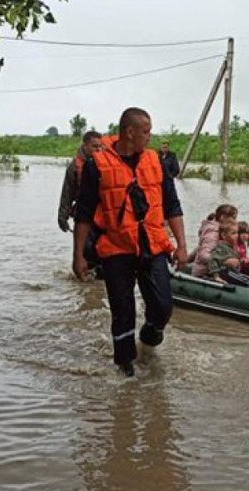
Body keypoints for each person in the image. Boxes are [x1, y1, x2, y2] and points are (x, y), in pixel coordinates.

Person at [72, 108, 188, 376]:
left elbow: (172, 205)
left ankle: (149, 336)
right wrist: (78, 255)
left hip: (153, 245)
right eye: (146, 131)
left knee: (162, 307)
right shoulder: (97, 165)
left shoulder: (156, 161)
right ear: (130, 132)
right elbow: (84, 213)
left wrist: (181, 245)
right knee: (122, 311)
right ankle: (126, 372)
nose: (150, 137)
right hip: (116, 248)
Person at [58, 130, 103, 232]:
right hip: (84, 215)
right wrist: (62, 217)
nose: (98, 150)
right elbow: (67, 193)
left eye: (100, 147)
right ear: (85, 146)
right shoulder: (74, 167)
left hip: (103, 216)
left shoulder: (107, 165)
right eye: (94, 147)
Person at [189, 203, 238, 277]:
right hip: (205, 273)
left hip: (214, 270)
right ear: (223, 217)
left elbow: (198, 249)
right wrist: (224, 261)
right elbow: (203, 255)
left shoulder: (222, 230)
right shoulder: (213, 233)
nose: (235, 221)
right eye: (234, 218)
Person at [206, 219, 249, 288]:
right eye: (233, 233)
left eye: (237, 233)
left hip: (233, 271)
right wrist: (216, 276)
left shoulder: (232, 248)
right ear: (224, 235)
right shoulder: (221, 247)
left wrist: (241, 262)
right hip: (225, 272)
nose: (237, 236)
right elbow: (213, 260)